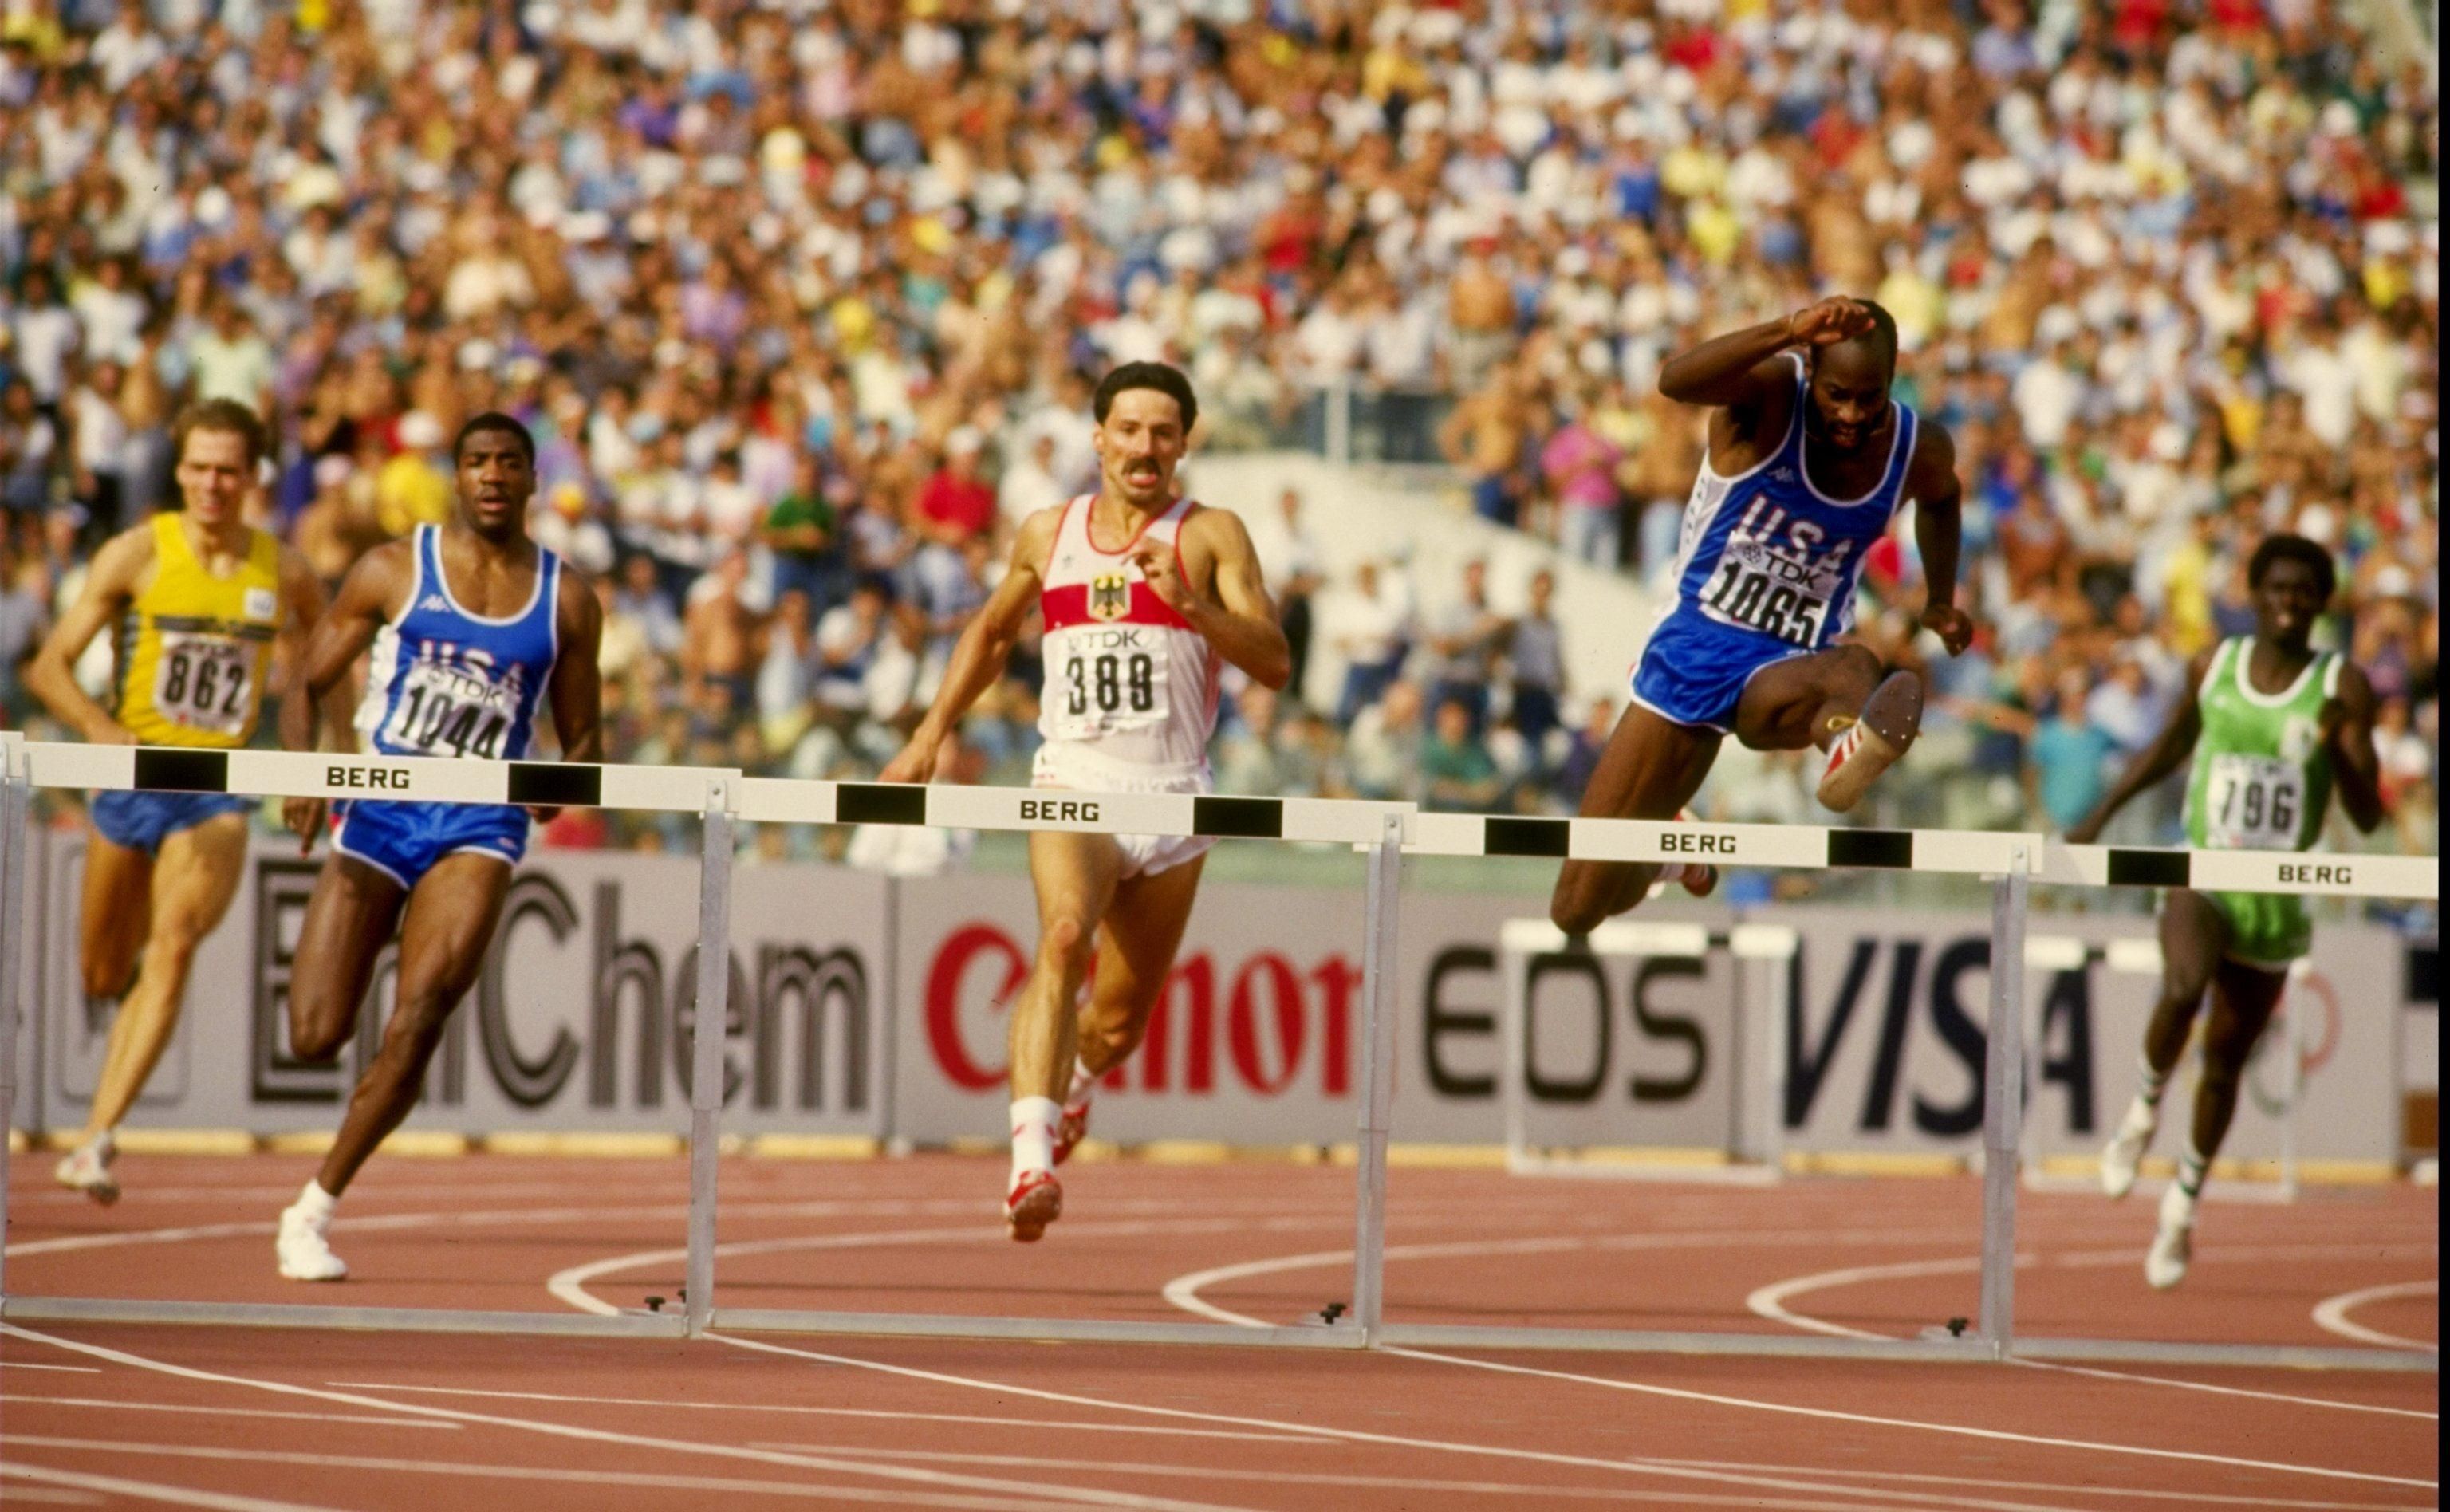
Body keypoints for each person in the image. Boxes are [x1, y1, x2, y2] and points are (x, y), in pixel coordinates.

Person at [881, 361, 1289, 1242]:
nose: (1147, 449)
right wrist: (929, 735)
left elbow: (1275, 661)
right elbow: (991, 634)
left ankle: (1075, 1089)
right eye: (1131, 431)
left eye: (1165, 434)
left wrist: (1191, 606)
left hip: (1176, 800)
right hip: (1076, 786)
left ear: (1184, 443)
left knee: (1115, 1026)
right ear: (1098, 440)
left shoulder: (1211, 534)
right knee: (1063, 933)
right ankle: (1029, 1161)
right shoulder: (1048, 533)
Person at [267, 412, 602, 1281]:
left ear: (531, 482)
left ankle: (313, 1210)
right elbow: (306, 676)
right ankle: (359, 992)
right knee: (313, 1034)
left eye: (509, 464)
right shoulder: (392, 567)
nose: (493, 476)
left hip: (476, 827)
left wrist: (552, 790)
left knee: (419, 1019)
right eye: (478, 462)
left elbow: (586, 740)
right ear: (457, 476)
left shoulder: (564, 599)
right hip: (380, 812)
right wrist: (306, 771)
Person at [1550, 297, 1974, 934]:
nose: (1852, 415)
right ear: (1811, 368)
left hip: (1790, 666)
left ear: (1892, 383)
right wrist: (1787, 330)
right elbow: (1676, 381)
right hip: (1695, 650)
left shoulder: (1916, 447)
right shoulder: (1773, 397)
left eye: (1870, 398)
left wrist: (1940, 597)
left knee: (1858, 661)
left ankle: (1844, 744)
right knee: (1578, 909)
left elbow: (1943, 499)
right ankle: (1671, 857)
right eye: (1837, 396)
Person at [25, 400, 331, 1204]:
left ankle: (97, 1139)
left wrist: (318, 764)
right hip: (133, 780)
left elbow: (328, 660)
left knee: (177, 944)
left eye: (229, 470)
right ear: (180, 470)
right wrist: (98, 727)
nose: (213, 484)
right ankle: (112, 1035)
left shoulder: (283, 569)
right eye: (199, 467)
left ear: (253, 476)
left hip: (216, 788)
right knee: (102, 969)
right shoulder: (137, 554)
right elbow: (49, 666)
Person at [2072, 534, 2381, 1290]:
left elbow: (2369, 816)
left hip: (2274, 897)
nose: (2288, 602)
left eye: (2304, 591)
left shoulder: (2342, 683)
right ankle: (2142, 1112)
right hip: (2204, 867)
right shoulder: (2217, 666)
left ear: (2321, 602)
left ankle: (2182, 1205)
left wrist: (2338, 743)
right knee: (2182, 987)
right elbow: (2171, 743)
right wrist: (2101, 812)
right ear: (2252, 592)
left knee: (2225, 1062)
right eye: (2276, 588)